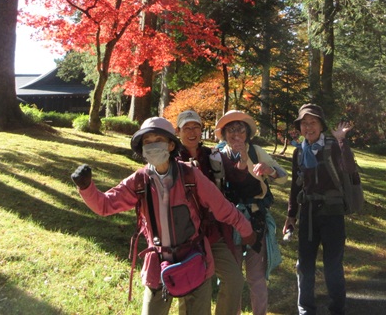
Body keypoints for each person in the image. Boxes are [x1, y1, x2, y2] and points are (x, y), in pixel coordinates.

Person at [71, 116, 256, 315]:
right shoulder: (139, 180)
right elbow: (105, 205)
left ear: (171, 145)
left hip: (194, 259)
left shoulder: (190, 175)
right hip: (158, 265)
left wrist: (247, 231)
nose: (153, 146)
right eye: (147, 142)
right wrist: (86, 187)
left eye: (158, 140)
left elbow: (222, 207)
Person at [283, 104, 357, 315]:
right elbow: (296, 185)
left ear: (321, 125)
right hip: (308, 214)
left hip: (332, 214)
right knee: (304, 266)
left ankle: (337, 309)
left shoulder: (333, 146)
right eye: (304, 123)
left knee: (332, 265)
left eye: (313, 122)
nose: (308, 127)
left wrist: (342, 141)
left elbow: (349, 168)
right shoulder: (299, 152)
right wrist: (291, 215)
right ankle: (306, 310)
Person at [215, 110, 287, 315]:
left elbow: (283, 177)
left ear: (247, 133)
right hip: (229, 221)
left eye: (240, 130)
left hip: (255, 219)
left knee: (256, 277)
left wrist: (269, 170)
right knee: (233, 277)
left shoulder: (256, 152)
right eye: (231, 130)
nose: (236, 134)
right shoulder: (218, 155)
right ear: (224, 134)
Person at [175, 110, 244, 315]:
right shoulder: (172, 159)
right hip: (186, 236)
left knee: (234, 279)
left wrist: (245, 160)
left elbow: (237, 177)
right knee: (192, 287)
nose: (192, 132)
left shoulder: (213, 156)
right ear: (178, 131)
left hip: (213, 233)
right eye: (187, 128)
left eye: (196, 127)